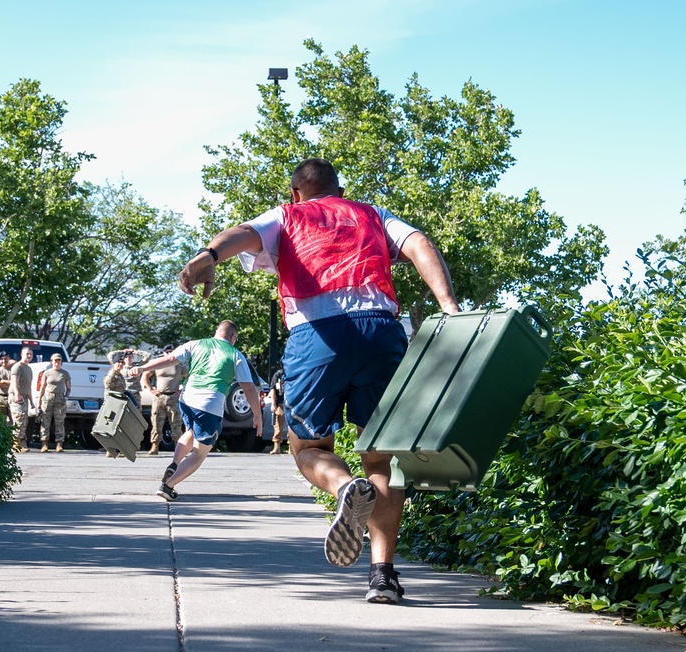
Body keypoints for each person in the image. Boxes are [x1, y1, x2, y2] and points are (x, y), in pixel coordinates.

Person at [176, 158, 460, 604]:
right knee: (381, 457)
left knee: (308, 448)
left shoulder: (286, 216)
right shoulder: (371, 214)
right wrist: (449, 306)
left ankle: (345, 488)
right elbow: (419, 242)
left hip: (318, 337)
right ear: (339, 188)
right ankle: (382, 576)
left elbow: (242, 235)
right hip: (382, 333)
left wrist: (208, 257)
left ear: (296, 193)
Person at [128, 320, 262, 501]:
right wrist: (257, 415)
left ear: (216, 331)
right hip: (209, 403)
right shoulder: (235, 354)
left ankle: (175, 464)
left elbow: (168, 359)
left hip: (187, 399)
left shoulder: (196, 344)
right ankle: (167, 486)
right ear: (233, 337)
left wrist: (142, 367)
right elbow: (248, 388)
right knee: (199, 453)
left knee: (190, 432)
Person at [141, 344, 186, 456]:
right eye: (167, 352)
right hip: (159, 396)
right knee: (156, 422)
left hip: (173, 397)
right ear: (164, 353)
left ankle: (178, 447)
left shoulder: (179, 364)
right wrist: (151, 389)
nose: (169, 353)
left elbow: (189, 377)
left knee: (176, 423)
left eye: (171, 351)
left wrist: (181, 390)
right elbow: (146, 375)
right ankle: (154, 446)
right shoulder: (159, 364)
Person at [38, 353, 71, 453]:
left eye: (59, 360)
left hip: (60, 399)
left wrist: (66, 397)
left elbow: (68, 388)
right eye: (55, 360)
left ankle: (59, 444)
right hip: (48, 398)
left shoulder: (65, 373)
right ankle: (44, 444)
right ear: (51, 362)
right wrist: (40, 400)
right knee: (45, 421)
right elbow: (42, 387)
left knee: (59, 421)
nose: (57, 362)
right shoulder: (47, 373)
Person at [8, 347, 34, 453]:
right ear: (21, 354)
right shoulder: (17, 367)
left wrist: (32, 401)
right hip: (16, 397)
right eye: (27, 354)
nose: (29, 356)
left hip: (25, 397)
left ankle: (20, 442)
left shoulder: (28, 368)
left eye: (30, 354)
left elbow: (28, 386)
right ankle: (15, 444)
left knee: (24, 421)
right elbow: (14, 381)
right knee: (18, 420)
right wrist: (17, 394)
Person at [267, 369, 286, 455]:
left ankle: (292, 448)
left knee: (293, 426)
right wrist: (273, 404)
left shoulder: (294, 371)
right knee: (278, 425)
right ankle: (276, 447)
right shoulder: (278, 374)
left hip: (292, 402)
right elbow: (273, 390)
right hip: (280, 403)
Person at [0, 352, 12, 422]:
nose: (4, 361)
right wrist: (10, 383)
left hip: (12, 397)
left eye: (5, 358)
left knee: (14, 421)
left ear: (9, 358)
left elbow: (17, 383)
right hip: (0, 398)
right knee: (0, 421)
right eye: (1, 359)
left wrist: (3, 381)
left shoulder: (13, 370)